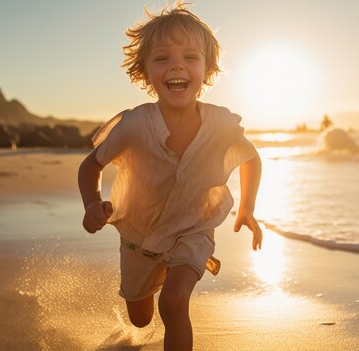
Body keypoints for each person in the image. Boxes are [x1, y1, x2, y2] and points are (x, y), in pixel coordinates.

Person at [78, 4, 262, 350]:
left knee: (173, 303)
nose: (177, 65)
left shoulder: (221, 125)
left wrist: (247, 208)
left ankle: (178, 272)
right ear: (145, 73)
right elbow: (91, 165)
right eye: (162, 59)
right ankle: (152, 280)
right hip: (139, 233)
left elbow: (251, 158)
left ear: (207, 70)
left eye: (190, 57)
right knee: (140, 317)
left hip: (193, 228)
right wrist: (91, 204)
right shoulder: (134, 124)